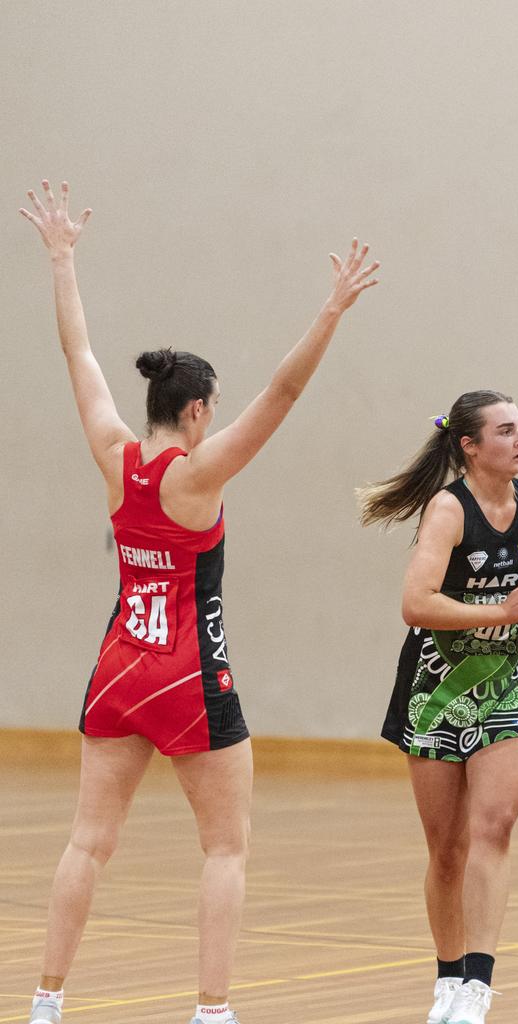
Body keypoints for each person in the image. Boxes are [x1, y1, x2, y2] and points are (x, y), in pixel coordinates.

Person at [19, 180, 379, 1024]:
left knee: (87, 842)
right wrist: (330, 312)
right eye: (211, 408)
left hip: (117, 668)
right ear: (195, 411)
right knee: (225, 846)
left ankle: (45, 1000)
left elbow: (80, 358)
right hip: (187, 676)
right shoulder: (198, 475)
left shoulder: (115, 454)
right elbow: (282, 399)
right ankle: (212, 1010)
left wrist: (63, 260)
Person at [359, 391, 518, 1024]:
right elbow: (416, 604)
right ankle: (448, 978)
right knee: (447, 849)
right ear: (469, 445)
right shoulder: (447, 512)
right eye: (505, 431)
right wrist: (501, 610)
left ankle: (479, 986)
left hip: (507, 683)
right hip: (436, 685)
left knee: (495, 826)